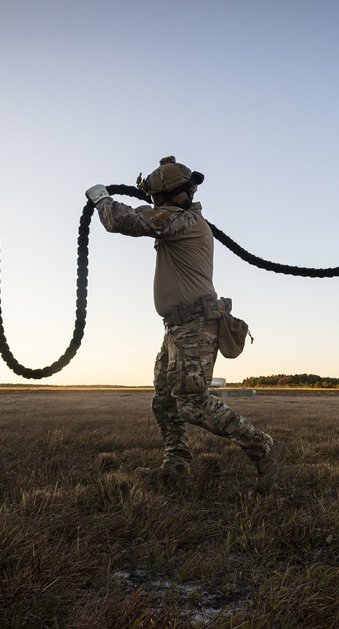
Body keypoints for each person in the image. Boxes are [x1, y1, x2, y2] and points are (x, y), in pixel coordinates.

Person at [85, 157, 282, 493]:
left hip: (196, 324)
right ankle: (176, 463)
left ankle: (261, 445)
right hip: (178, 327)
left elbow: (122, 220)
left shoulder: (181, 220)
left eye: (155, 198)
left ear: (165, 198)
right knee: (164, 399)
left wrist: (102, 198)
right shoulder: (183, 218)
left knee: (191, 401)